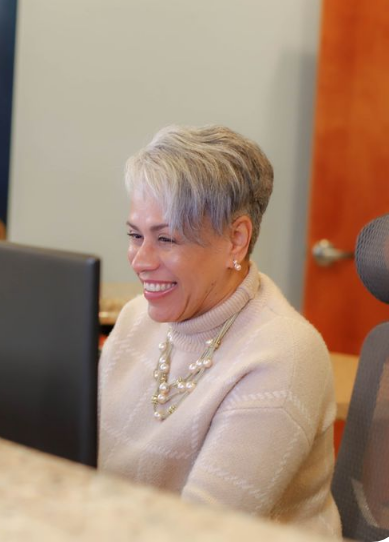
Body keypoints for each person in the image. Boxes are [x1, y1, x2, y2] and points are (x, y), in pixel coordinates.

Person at [98, 124, 341, 537]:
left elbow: (203, 531)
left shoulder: (285, 356)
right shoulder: (135, 318)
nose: (140, 259)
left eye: (167, 239)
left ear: (236, 240)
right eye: (135, 235)